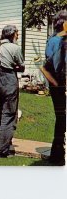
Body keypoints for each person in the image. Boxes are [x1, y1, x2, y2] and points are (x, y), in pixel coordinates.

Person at [0, 25, 25, 158]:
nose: (17, 36)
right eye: (16, 33)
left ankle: (4, 142)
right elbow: (21, 67)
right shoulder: (14, 48)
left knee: (0, 113)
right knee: (9, 114)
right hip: (8, 80)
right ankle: (2, 150)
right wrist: (13, 65)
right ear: (11, 34)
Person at [44, 10, 66, 165]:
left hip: (54, 84)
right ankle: (58, 154)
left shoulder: (51, 39)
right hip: (62, 82)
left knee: (61, 117)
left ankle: (56, 153)